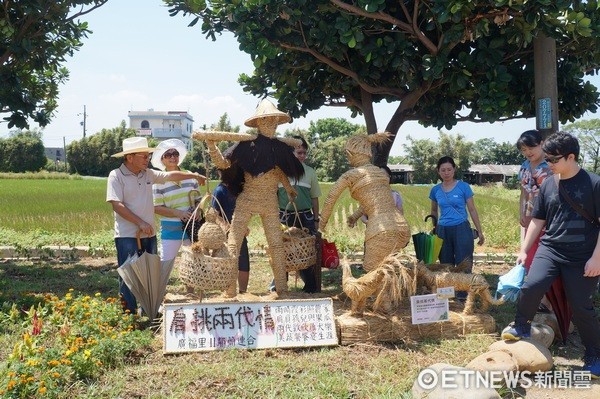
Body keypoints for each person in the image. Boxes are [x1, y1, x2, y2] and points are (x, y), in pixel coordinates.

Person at [502, 132, 600, 378]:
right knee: (531, 286)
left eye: (553, 160)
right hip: (551, 249)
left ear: (571, 157)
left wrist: (597, 258)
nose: (548, 165)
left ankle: (594, 353)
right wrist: (524, 249)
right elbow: (538, 219)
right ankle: (521, 326)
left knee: (581, 307)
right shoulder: (548, 184)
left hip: (583, 256)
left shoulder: (594, 184)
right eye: (546, 159)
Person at [107, 137, 206, 314]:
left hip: (149, 233)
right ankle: (129, 314)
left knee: (151, 275)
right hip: (127, 234)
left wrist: (194, 175)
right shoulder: (116, 175)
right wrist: (140, 222)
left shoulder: (148, 174)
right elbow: (117, 204)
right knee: (129, 274)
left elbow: (170, 175)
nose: (148, 159)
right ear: (130, 157)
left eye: (148, 156)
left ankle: (149, 311)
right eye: (144, 156)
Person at [320, 132, 410, 272]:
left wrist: (321, 225)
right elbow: (374, 200)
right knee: (388, 270)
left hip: (381, 230)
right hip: (400, 225)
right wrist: (355, 216)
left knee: (372, 271)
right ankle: (392, 292)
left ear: (350, 154)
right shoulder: (380, 173)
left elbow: (330, 200)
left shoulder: (351, 175)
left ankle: (384, 293)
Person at [277, 135, 321, 293]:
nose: (302, 155)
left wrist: (316, 219)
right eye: (299, 152)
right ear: (290, 153)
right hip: (284, 216)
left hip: (305, 216)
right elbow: (273, 195)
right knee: (282, 248)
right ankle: (279, 284)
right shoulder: (279, 172)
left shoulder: (310, 172)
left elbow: (315, 198)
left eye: (304, 153)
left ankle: (310, 285)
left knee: (307, 249)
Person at [429, 156, 484, 274]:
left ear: (454, 169)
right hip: (443, 230)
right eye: (443, 170)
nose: (446, 173)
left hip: (461, 228)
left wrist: (479, 231)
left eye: (449, 169)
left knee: (464, 263)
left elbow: (472, 209)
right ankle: (448, 292)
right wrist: (435, 227)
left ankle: (463, 292)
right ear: (438, 171)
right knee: (445, 265)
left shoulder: (463, 187)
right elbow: (434, 210)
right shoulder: (435, 190)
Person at [152, 139, 202, 261]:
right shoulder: (158, 182)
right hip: (170, 229)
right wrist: (179, 213)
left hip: (192, 227)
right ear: (162, 159)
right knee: (166, 263)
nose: (172, 157)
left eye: (175, 154)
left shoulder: (190, 175)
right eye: (168, 155)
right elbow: (156, 208)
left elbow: (199, 199)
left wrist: (198, 210)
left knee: (196, 262)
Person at [517, 130, 552, 271]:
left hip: (549, 215)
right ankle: (532, 285)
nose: (528, 152)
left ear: (541, 144)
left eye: (531, 148)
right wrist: (522, 213)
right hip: (530, 214)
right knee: (530, 250)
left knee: (546, 251)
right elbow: (523, 192)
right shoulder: (524, 166)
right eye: (524, 150)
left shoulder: (551, 164)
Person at [212, 168, 251, 294]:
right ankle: (227, 291)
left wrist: (245, 225)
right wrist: (228, 227)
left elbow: (246, 210)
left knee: (244, 262)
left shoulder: (239, 188)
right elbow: (214, 215)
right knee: (226, 263)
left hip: (240, 230)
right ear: (219, 173)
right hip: (226, 234)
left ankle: (243, 292)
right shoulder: (219, 190)